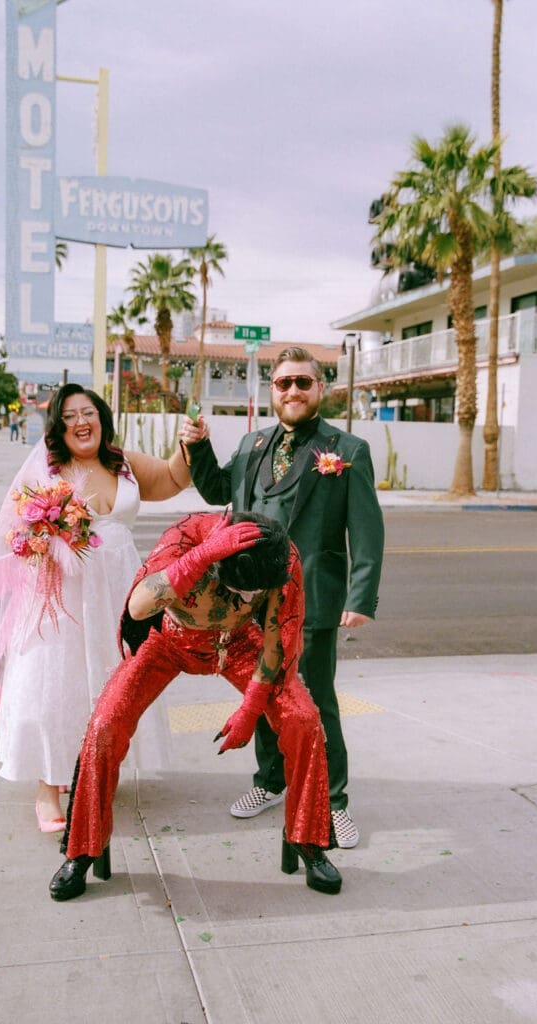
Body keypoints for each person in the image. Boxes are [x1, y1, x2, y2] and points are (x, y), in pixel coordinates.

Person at [49, 511, 341, 901]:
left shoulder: (281, 557)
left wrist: (250, 710)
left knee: (303, 720)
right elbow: (138, 607)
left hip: (237, 644)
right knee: (105, 724)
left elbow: (277, 638)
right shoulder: (185, 537)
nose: (249, 599)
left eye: (255, 594)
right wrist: (200, 557)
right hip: (167, 641)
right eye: (241, 591)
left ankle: (309, 840)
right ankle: (82, 850)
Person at [179, 346, 384, 849]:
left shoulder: (348, 450)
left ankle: (334, 802)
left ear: (320, 389)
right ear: (272, 390)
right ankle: (271, 781)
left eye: (303, 382)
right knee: (265, 693)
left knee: (315, 701)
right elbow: (215, 490)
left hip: (312, 596)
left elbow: (368, 530)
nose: (292, 391)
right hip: (251, 598)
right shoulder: (252, 445)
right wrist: (198, 446)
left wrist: (360, 597)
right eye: (283, 383)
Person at [0, 383, 191, 833]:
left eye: (88, 413)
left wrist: (188, 442)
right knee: (53, 688)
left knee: (109, 685)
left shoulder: (125, 463)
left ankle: (94, 770)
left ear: (101, 418)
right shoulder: (48, 470)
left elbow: (176, 478)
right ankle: (48, 787)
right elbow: (12, 531)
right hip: (62, 598)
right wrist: (41, 539)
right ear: (59, 428)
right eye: (69, 416)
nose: (81, 422)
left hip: (119, 593)